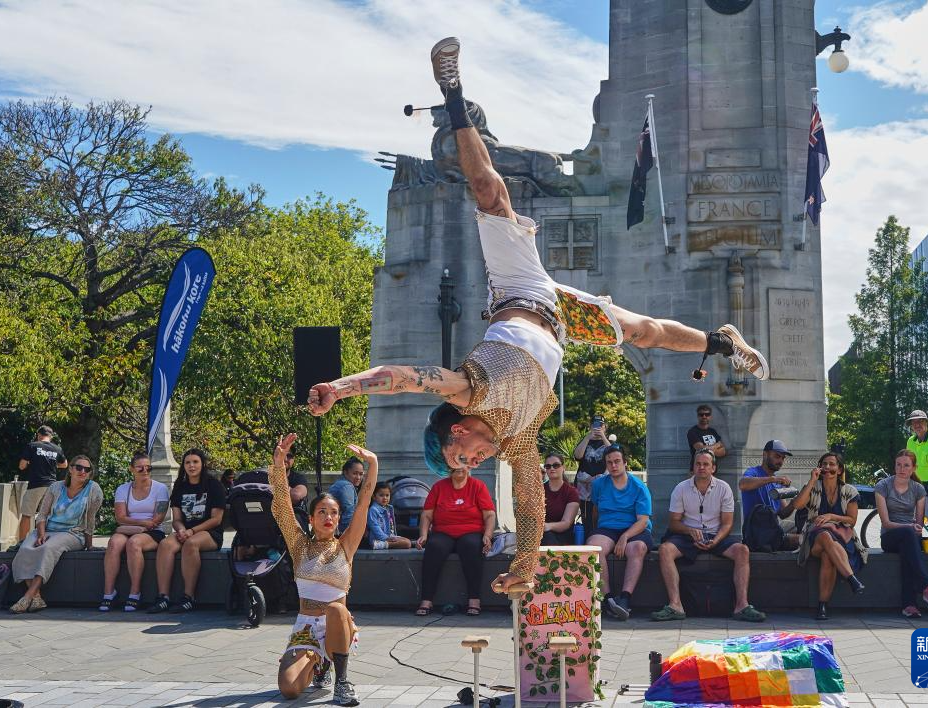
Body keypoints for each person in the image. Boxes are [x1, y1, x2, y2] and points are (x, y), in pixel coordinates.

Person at [306, 36, 769, 593]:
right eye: (468, 464)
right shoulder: (518, 438)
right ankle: (722, 341)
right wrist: (524, 568)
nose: (474, 460)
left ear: (457, 430)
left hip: (519, 289)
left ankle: (452, 91)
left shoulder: (464, 391)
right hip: (563, 319)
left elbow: (400, 376)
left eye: (463, 455)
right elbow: (529, 504)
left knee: (490, 194)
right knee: (644, 332)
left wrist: (340, 387)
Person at [273, 435, 372, 706]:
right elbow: (282, 507)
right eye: (322, 512)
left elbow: (363, 504)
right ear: (311, 518)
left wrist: (373, 464)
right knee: (289, 689)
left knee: (337, 609)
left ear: (338, 518)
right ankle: (319, 664)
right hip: (306, 626)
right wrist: (279, 465)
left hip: (337, 627)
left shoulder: (346, 546)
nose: (329, 517)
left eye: (334, 513)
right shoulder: (299, 546)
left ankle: (342, 681)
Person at [652, 450, 766, 622]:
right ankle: (675, 605)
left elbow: (727, 524)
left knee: (742, 550)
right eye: (698, 464)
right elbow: (674, 523)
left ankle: (742, 606)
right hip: (688, 535)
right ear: (693, 467)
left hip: (715, 534)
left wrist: (716, 540)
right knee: (665, 550)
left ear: (713, 468)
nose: (701, 467)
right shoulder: (681, 488)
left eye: (706, 464)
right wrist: (689, 531)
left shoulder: (724, 488)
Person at [10, 454, 103, 613]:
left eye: (87, 469)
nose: (83, 471)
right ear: (70, 469)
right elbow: (42, 515)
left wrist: (89, 545)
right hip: (47, 530)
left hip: (73, 533)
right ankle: (37, 598)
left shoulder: (93, 490)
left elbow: (90, 520)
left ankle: (27, 596)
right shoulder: (56, 487)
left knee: (47, 548)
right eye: (79, 467)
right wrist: (41, 534)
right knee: (25, 548)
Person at [790, 452, 866, 621]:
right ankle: (851, 578)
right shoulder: (813, 486)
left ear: (839, 470)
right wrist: (812, 480)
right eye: (824, 464)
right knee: (824, 535)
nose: (827, 467)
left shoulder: (849, 491)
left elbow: (852, 520)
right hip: (814, 537)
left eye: (832, 464)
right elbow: (798, 505)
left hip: (842, 537)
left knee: (827, 555)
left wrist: (832, 516)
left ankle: (822, 605)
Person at [148, 448, 225, 614]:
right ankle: (163, 597)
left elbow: (216, 520)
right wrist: (181, 529)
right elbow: (176, 519)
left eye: (195, 462)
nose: (191, 466)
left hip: (210, 533)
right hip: (185, 531)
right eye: (188, 462)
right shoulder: (180, 487)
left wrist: (191, 531)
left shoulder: (214, 485)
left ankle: (188, 597)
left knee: (191, 544)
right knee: (165, 544)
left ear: (202, 464)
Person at [415, 466, 496, 617]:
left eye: (463, 463)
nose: (459, 467)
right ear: (448, 467)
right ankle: (427, 600)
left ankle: (474, 599)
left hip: (471, 531)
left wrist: (487, 535)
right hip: (443, 531)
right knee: (434, 546)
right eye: (455, 464)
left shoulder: (478, 486)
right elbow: (427, 515)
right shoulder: (438, 487)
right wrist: (424, 535)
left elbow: (489, 515)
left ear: (469, 467)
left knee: (471, 546)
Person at [587, 445, 654, 621]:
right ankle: (608, 599)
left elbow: (643, 520)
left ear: (625, 463)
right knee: (594, 548)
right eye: (609, 462)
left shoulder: (639, 487)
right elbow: (595, 510)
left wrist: (625, 536)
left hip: (634, 527)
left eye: (617, 461)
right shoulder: (599, 484)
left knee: (637, 548)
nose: (613, 465)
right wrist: (596, 531)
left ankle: (625, 599)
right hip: (607, 527)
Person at [875, 450, 928, 618]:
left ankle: (909, 606)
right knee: (908, 534)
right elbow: (886, 523)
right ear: (894, 466)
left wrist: (916, 529)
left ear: (913, 468)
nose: (902, 469)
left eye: (906, 465)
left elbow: (919, 523)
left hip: (910, 537)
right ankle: (927, 586)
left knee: (908, 551)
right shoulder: (883, 486)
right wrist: (910, 527)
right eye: (898, 465)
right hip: (890, 537)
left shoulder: (918, 489)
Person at [99, 452, 170, 612]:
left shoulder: (160, 488)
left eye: (148, 467)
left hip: (152, 532)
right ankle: (109, 593)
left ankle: (135, 592)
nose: (145, 471)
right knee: (114, 543)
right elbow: (120, 517)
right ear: (131, 469)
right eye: (140, 468)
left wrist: (141, 525)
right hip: (133, 528)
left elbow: (157, 520)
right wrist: (141, 523)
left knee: (134, 543)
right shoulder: (123, 489)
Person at [739, 440, 799, 548]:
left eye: (783, 458)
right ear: (765, 454)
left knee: (804, 528)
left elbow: (783, 514)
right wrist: (772, 479)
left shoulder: (777, 482)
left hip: (773, 528)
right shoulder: (753, 472)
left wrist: (794, 502)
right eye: (777, 456)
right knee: (803, 539)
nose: (780, 461)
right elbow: (743, 484)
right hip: (756, 532)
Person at [14, 425, 68, 545]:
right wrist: (53, 464)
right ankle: (47, 542)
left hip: (35, 485)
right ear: (51, 436)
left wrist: (31, 463)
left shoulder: (32, 446)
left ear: (38, 435)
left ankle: (21, 543)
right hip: (52, 486)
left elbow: (22, 466)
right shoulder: (57, 448)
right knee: (48, 516)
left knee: (27, 515)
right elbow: (64, 464)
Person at [573, 416, 610, 536]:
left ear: (605, 427)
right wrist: (587, 437)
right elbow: (578, 456)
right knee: (586, 515)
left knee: (600, 514)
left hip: (601, 486)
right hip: (584, 487)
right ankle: (587, 538)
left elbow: (613, 454)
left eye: (601, 425)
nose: (598, 428)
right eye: (595, 425)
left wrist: (603, 437)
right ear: (590, 427)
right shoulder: (585, 440)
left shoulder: (608, 443)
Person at [542, 453, 580, 545]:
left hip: (562, 537)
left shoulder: (571, 492)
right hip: (541, 534)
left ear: (563, 467)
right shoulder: (539, 490)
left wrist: (547, 526)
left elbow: (566, 523)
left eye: (556, 465)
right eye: (548, 466)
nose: (552, 468)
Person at [367, 482, 412, 550]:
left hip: (390, 536)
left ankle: (388, 544)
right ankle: (381, 545)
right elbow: (374, 527)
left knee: (407, 541)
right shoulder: (373, 510)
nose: (385, 498)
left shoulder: (389, 508)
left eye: (387, 495)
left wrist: (392, 537)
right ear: (374, 496)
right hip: (378, 539)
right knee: (407, 543)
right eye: (381, 495)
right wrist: (386, 538)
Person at [328, 457, 364, 534]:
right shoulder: (346, 486)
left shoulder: (341, 483)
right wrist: (352, 535)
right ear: (345, 472)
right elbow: (348, 515)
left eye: (361, 474)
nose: (358, 477)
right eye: (355, 473)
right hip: (340, 533)